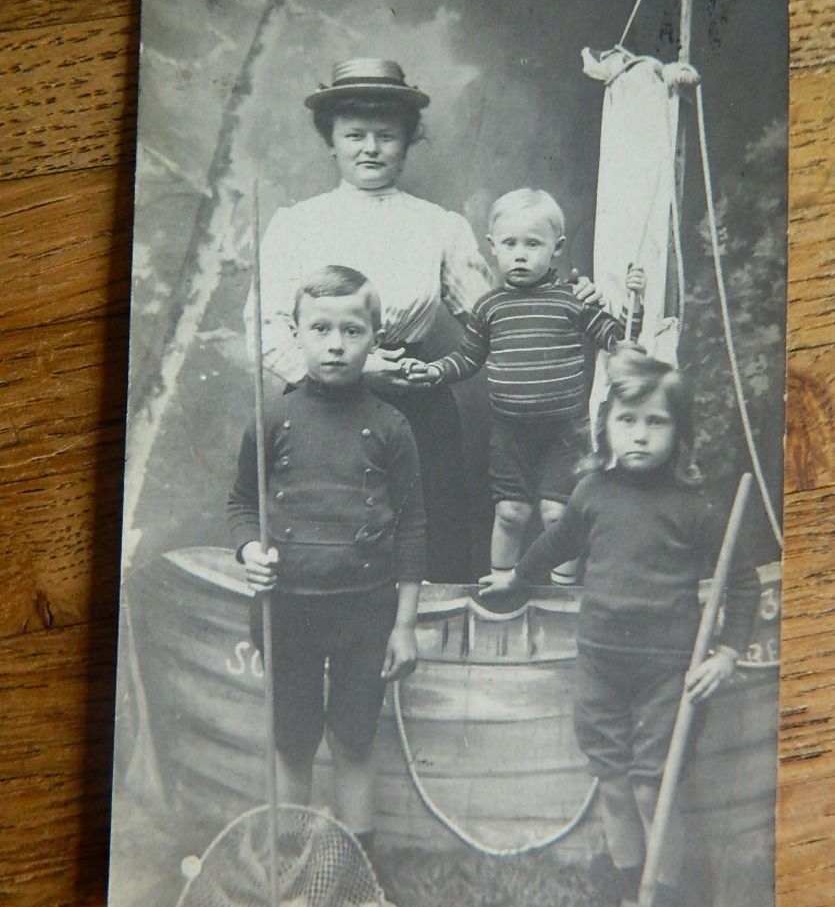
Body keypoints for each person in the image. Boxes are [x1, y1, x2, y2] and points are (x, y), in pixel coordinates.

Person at [245, 59, 603, 582]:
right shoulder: (295, 224)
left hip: (416, 404)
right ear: (332, 140)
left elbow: (501, 315)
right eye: (354, 135)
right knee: (326, 525)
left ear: (407, 141)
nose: (370, 148)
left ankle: (431, 626)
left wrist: (576, 301)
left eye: (386, 136)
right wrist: (348, 372)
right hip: (318, 400)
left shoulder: (439, 225)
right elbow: (261, 328)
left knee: (425, 530)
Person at [479, 349, 760, 907]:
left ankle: (667, 898)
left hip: (670, 671)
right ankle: (627, 889)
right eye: (627, 421)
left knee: (652, 786)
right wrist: (515, 578)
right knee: (611, 779)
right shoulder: (591, 496)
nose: (639, 435)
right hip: (600, 663)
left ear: (680, 435)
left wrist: (727, 652)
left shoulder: (695, 510)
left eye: (656, 422)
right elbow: (555, 547)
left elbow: (744, 585)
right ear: (604, 427)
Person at [228, 265, 426, 861]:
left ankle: (360, 877)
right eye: (320, 329)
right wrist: (249, 550)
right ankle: (290, 871)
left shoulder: (393, 426)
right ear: (296, 333)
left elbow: (414, 525)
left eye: (352, 330)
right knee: (292, 743)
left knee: (354, 740)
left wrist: (406, 623)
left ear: (375, 336)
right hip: (287, 610)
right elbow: (240, 504)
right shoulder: (271, 419)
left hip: (366, 613)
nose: (335, 344)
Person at [406, 188, 646, 582]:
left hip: (565, 432)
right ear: (492, 248)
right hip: (509, 432)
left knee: (558, 515)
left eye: (533, 244)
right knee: (510, 513)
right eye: (510, 244)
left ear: (557, 248)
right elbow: (468, 358)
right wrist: (434, 372)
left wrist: (637, 298)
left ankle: (563, 591)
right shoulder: (489, 307)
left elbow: (620, 341)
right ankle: (502, 584)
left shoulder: (572, 299)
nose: (520, 254)